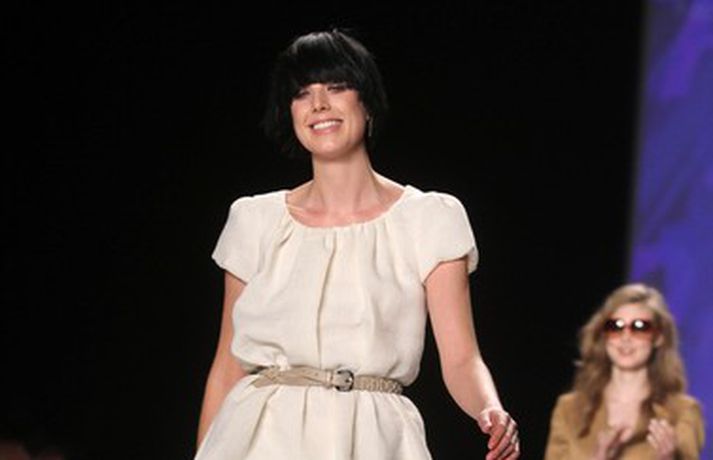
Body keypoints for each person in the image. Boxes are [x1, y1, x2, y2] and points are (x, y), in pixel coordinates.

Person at [194, 28, 520, 460]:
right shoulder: (254, 220)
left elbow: (461, 358)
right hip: (258, 437)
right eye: (301, 93)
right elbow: (227, 367)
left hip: (374, 439)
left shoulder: (428, 219)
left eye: (336, 86)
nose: (318, 104)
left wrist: (489, 409)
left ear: (366, 101)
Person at [544, 283, 705, 459]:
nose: (625, 337)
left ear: (658, 337)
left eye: (640, 327)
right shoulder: (569, 410)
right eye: (615, 326)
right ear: (603, 334)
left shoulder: (682, 412)